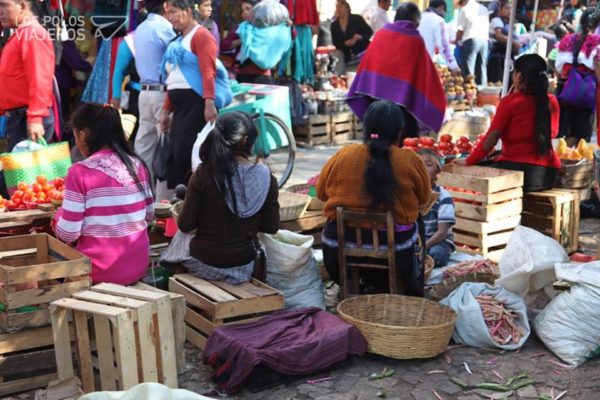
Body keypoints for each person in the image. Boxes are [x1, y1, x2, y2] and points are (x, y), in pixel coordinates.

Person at [317, 100, 431, 297]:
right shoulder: (410, 160)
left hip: (339, 246)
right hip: (397, 251)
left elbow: (320, 193)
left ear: (366, 128)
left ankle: (354, 288)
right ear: (399, 131)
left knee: (332, 225)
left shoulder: (344, 155)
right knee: (418, 220)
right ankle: (411, 293)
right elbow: (424, 199)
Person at [53, 103, 154, 285]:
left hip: (98, 273)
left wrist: (58, 216)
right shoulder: (137, 165)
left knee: (51, 259)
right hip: (138, 266)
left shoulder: (79, 171)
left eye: (75, 135)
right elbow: (149, 215)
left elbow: (68, 234)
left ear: (83, 135)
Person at [175, 112, 279, 284]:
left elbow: (185, 225)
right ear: (245, 141)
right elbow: (271, 227)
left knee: (179, 238)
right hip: (245, 265)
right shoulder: (267, 177)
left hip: (203, 264)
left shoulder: (203, 172)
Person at [160, 0, 232, 190]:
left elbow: (208, 72)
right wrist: (166, 111)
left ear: (188, 11)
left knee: (189, 155)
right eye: (168, 13)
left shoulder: (201, 36)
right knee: (178, 155)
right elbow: (174, 78)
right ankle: (183, 203)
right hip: (181, 109)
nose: (170, 17)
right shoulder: (178, 40)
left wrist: (209, 103)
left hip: (196, 106)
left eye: (174, 12)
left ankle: (194, 202)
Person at [346, 3, 446, 138]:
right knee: (404, 143)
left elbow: (369, 63)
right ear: (415, 21)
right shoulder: (415, 39)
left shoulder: (381, 34)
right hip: (403, 106)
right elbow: (425, 73)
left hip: (376, 102)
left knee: (377, 140)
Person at [465, 54, 561, 192]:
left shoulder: (511, 102)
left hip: (518, 173)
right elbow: (553, 132)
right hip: (548, 174)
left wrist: (469, 161)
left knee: (474, 177)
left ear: (519, 75)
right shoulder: (551, 101)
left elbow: (491, 138)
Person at [134, 0, 176, 198]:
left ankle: (142, 197)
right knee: (165, 146)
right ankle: (162, 202)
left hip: (145, 92)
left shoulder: (141, 28)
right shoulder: (165, 28)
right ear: (166, 6)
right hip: (162, 94)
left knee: (145, 146)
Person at [0, 0, 55, 149]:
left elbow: (40, 79)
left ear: (22, 6)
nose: (0, 12)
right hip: (19, 118)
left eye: (4, 5)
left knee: (25, 172)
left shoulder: (32, 34)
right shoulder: (21, 33)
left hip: (28, 119)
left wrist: (35, 118)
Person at [556, 8, 600, 146]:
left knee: (568, 134)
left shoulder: (567, 39)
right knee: (581, 136)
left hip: (566, 90)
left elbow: (558, 68)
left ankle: (563, 162)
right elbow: (598, 67)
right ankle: (573, 164)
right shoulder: (596, 41)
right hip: (585, 91)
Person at [417, 149, 455, 269]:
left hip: (438, 240)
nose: (422, 168)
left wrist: (423, 248)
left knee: (437, 254)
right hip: (417, 240)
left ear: (437, 173)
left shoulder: (443, 196)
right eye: (419, 164)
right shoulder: (410, 194)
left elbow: (442, 232)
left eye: (428, 165)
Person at [111, 32, 141, 141]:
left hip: (133, 91)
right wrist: (116, 96)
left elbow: (119, 71)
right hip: (133, 94)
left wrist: (116, 96)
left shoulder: (130, 41)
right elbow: (119, 71)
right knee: (129, 132)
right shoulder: (130, 42)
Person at [330, 0, 373, 75]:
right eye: (336, 7)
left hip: (361, 51)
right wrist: (345, 44)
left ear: (346, 8)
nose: (338, 9)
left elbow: (369, 32)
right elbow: (335, 43)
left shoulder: (357, 19)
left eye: (340, 7)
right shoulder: (334, 25)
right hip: (346, 55)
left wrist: (360, 37)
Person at [488, 1, 525, 84]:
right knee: (498, 80)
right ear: (500, 10)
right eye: (506, 8)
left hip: (509, 56)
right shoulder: (496, 20)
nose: (509, 11)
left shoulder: (510, 23)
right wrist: (514, 43)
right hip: (498, 56)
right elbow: (498, 35)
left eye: (511, 9)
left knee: (509, 81)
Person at [419, 0, 460, 72]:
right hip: (424, 62)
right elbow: (444, 46)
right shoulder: (438, 21)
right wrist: (454, 66)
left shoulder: (419, 17)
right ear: (441, 8)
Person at [455, 0, 490, 86]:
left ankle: (469, 90)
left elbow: (460, 29)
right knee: (481, 67)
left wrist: (456, 39)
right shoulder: (484, 9)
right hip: (484, 40)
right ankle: (482, 90)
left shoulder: (465, 8)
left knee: (469, 67)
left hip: (471, 39)